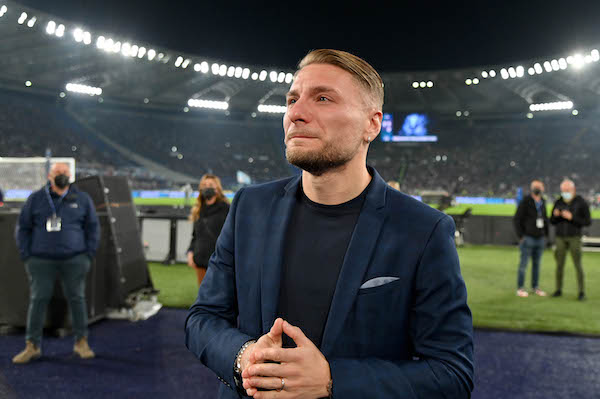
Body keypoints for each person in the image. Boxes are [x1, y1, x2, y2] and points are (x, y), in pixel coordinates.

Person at [185, 49, 474, 398]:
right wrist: (245, 356)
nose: (296, 113)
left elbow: (452, 373)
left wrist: (332, 380)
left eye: (322, 98)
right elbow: (202, 319)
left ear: (372, 123)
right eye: (292, 99)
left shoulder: (423, 230)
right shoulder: (250, 207)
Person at [13, 163, 100, 364]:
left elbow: (93, 228)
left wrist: (88, 255)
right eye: (57, 173)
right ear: (50, 176)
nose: (61, 175)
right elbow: (23, 228)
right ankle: (32, 345)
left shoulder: (82, 199)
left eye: (65, 173)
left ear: (70, 176)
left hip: (75, 259)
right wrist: (27, 255)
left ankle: (81, 342)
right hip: (41, 260)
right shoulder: (36, 199)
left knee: (77, 299)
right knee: (38, 300)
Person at [550, 179, 591, 301]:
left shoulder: (581, 202)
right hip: (560, 237)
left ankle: (581, 292)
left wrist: (572, 217)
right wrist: (555, 215)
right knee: (559, 265)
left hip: (574, 237)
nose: (564, 192)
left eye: (567, 190)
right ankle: (558, 289)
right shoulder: (558, 201)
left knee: (578, 264)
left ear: (573, 190)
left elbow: (587, 221)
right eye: (563, 190)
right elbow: (552, 221)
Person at [187, 174, 229, 286]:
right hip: (200, 259)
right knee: (203, 293)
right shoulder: (198, 210)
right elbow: (195, 236)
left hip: (218, 261)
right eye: (204, 185)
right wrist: (191, 252)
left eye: (210, 184)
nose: (207, 187)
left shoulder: (226, 208)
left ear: (217, 188)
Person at [513, 180, 549, 297]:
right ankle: (520, 288)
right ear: (531, 188)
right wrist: (521, 236)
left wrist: (546, 236)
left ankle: (535, 287)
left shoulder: (543, 201)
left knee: (537, 265)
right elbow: (517, 219)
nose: (538, 189)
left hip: (540, 238)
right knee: (523, 265)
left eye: (539, 187)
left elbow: (545, 219)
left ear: (543, 188)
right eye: (535, 187)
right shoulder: (526, 201)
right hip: (528, 238)